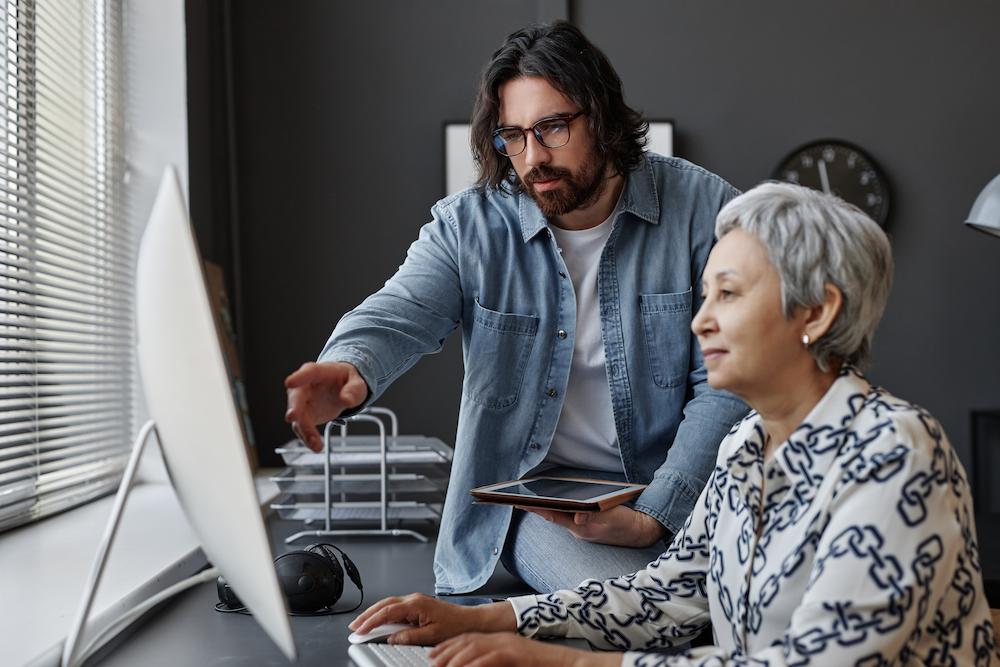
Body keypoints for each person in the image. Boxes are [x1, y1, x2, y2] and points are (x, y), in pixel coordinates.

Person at [348, 182, 1000, 665]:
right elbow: (670, 595)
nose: (699, 319)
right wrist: (486, 616)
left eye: (729, 293)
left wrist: (568, 662)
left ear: (817, 312)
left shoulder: (894, 451)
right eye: (704, 294)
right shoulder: (748, 445)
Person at [284, 21, 747, 594]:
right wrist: (350, 365)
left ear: (601, 116)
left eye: (552, 128)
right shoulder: (469, 225)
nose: (533, 157)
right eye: (513, 136)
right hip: (539, 505)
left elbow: (730, 379)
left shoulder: (707, 210)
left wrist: (657, 511)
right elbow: (399, 310)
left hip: (685, 492)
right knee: (650, 610)